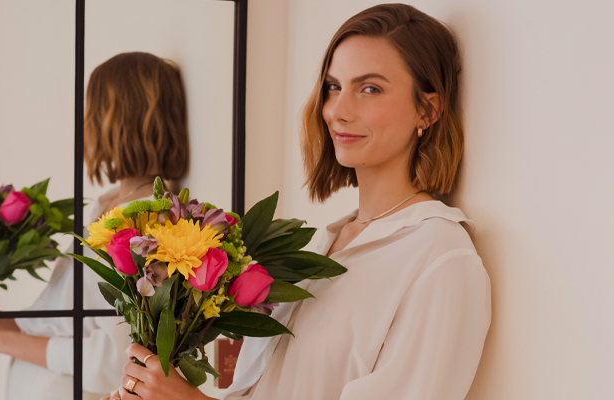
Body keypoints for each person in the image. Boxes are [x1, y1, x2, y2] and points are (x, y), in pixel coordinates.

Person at [103, 4, 491, 400]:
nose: (337, 111)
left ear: (428, 109)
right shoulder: (324, 244)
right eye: (333, 87)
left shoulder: (440, 260)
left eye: (370, 89)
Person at [0, 52, 190, 400]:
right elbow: (67, 323)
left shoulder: (145, 223)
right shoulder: (107, 207)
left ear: (118, 120)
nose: (86, 122)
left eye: (94, 109)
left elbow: (113, 358)